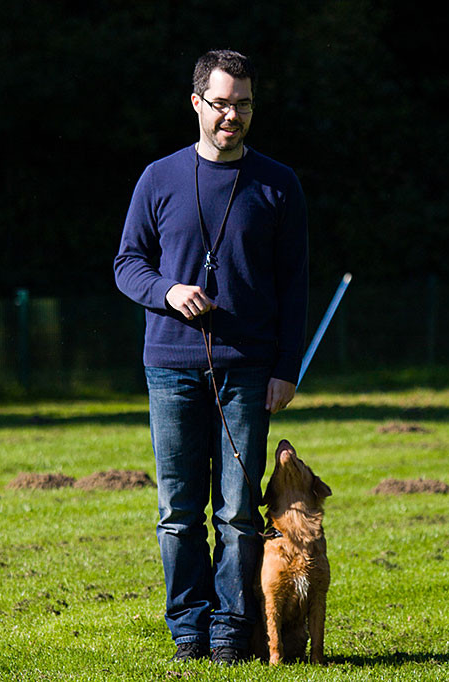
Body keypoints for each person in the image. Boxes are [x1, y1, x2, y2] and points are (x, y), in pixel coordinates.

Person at [113, 49, 309, 665]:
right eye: (221, 103)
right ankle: (188, 634)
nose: (233, 115)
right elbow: (127, 265)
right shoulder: (157, 178)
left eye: (243, 104)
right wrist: (168, 292)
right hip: (169, 367)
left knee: (238, 514)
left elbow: (295, 285)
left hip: (249, 370)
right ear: (196, 103)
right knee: (178, 511)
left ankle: (230, 634)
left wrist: (286, 368)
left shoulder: (279, 184)